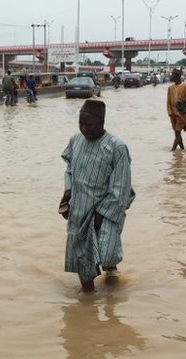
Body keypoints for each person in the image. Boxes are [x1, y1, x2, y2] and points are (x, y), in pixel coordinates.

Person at [59, 100, 136, 293]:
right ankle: (88, 302)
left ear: (102, 122)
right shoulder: (75, 140)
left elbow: (121, 187)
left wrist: (100, 217)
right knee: (82, 260)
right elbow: (70, 169)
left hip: (105, 210)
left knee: (107, 254)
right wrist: (67, 193)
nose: (85, 129)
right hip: (78, 210)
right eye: (81, 124)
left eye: (89, 125)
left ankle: (112, 296)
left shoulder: (116, 147)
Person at [166, 69, 186, 150]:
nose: (171, 76)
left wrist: (185, 100)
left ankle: (173, 150)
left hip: (182, 113)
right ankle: (182, 150)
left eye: (173, 75)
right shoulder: (170, 88)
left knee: (178, 132)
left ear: (177, 76)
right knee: (177, 133)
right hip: (173, 114)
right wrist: (170, 112)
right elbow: (168, 102)